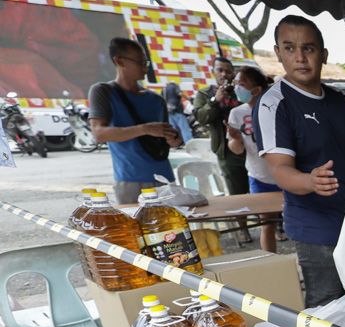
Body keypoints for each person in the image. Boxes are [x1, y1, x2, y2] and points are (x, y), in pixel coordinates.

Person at [254, 15, 345, 307]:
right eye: (290, 48)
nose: (300, 57)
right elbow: (280, 170)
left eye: (309, 48)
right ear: (278, 53)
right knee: (326, 311)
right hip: (316, 229)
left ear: (323, 54)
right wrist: (309, 180)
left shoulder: (340, 101)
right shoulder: (273, 103)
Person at [88, 37, 181, 204]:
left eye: (146, 62)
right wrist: (144, 129)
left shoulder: (156, 100)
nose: (145, 68)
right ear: (119, 61)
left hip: (164, 178)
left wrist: (174, 139)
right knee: (136, 229)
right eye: (140, 62)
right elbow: (99, 133)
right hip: (131, 180)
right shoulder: (103, 92)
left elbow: (171, 143)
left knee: (172, 229)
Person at [226, 66, 280, 253]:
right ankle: (272, 264)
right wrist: (235, 139)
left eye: (242, 84)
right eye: (236, 84)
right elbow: (237, 150)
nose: (237, 89)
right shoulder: (236, 114)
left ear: (256, 89)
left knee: (296, 224)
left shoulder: (275, 108)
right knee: (267, 225)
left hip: (285, 175)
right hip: (259, 177)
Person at [193, 56, 250, 196]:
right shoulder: (204, 94)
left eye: (228, 71)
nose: (224, 74)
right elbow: (201, 118)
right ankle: (241, 218)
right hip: (226, 151)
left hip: (250, 147)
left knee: (260, 188)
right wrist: (214, 101)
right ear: (213, 71)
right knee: (237, 194)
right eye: (220, 70)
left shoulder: (241, 92)